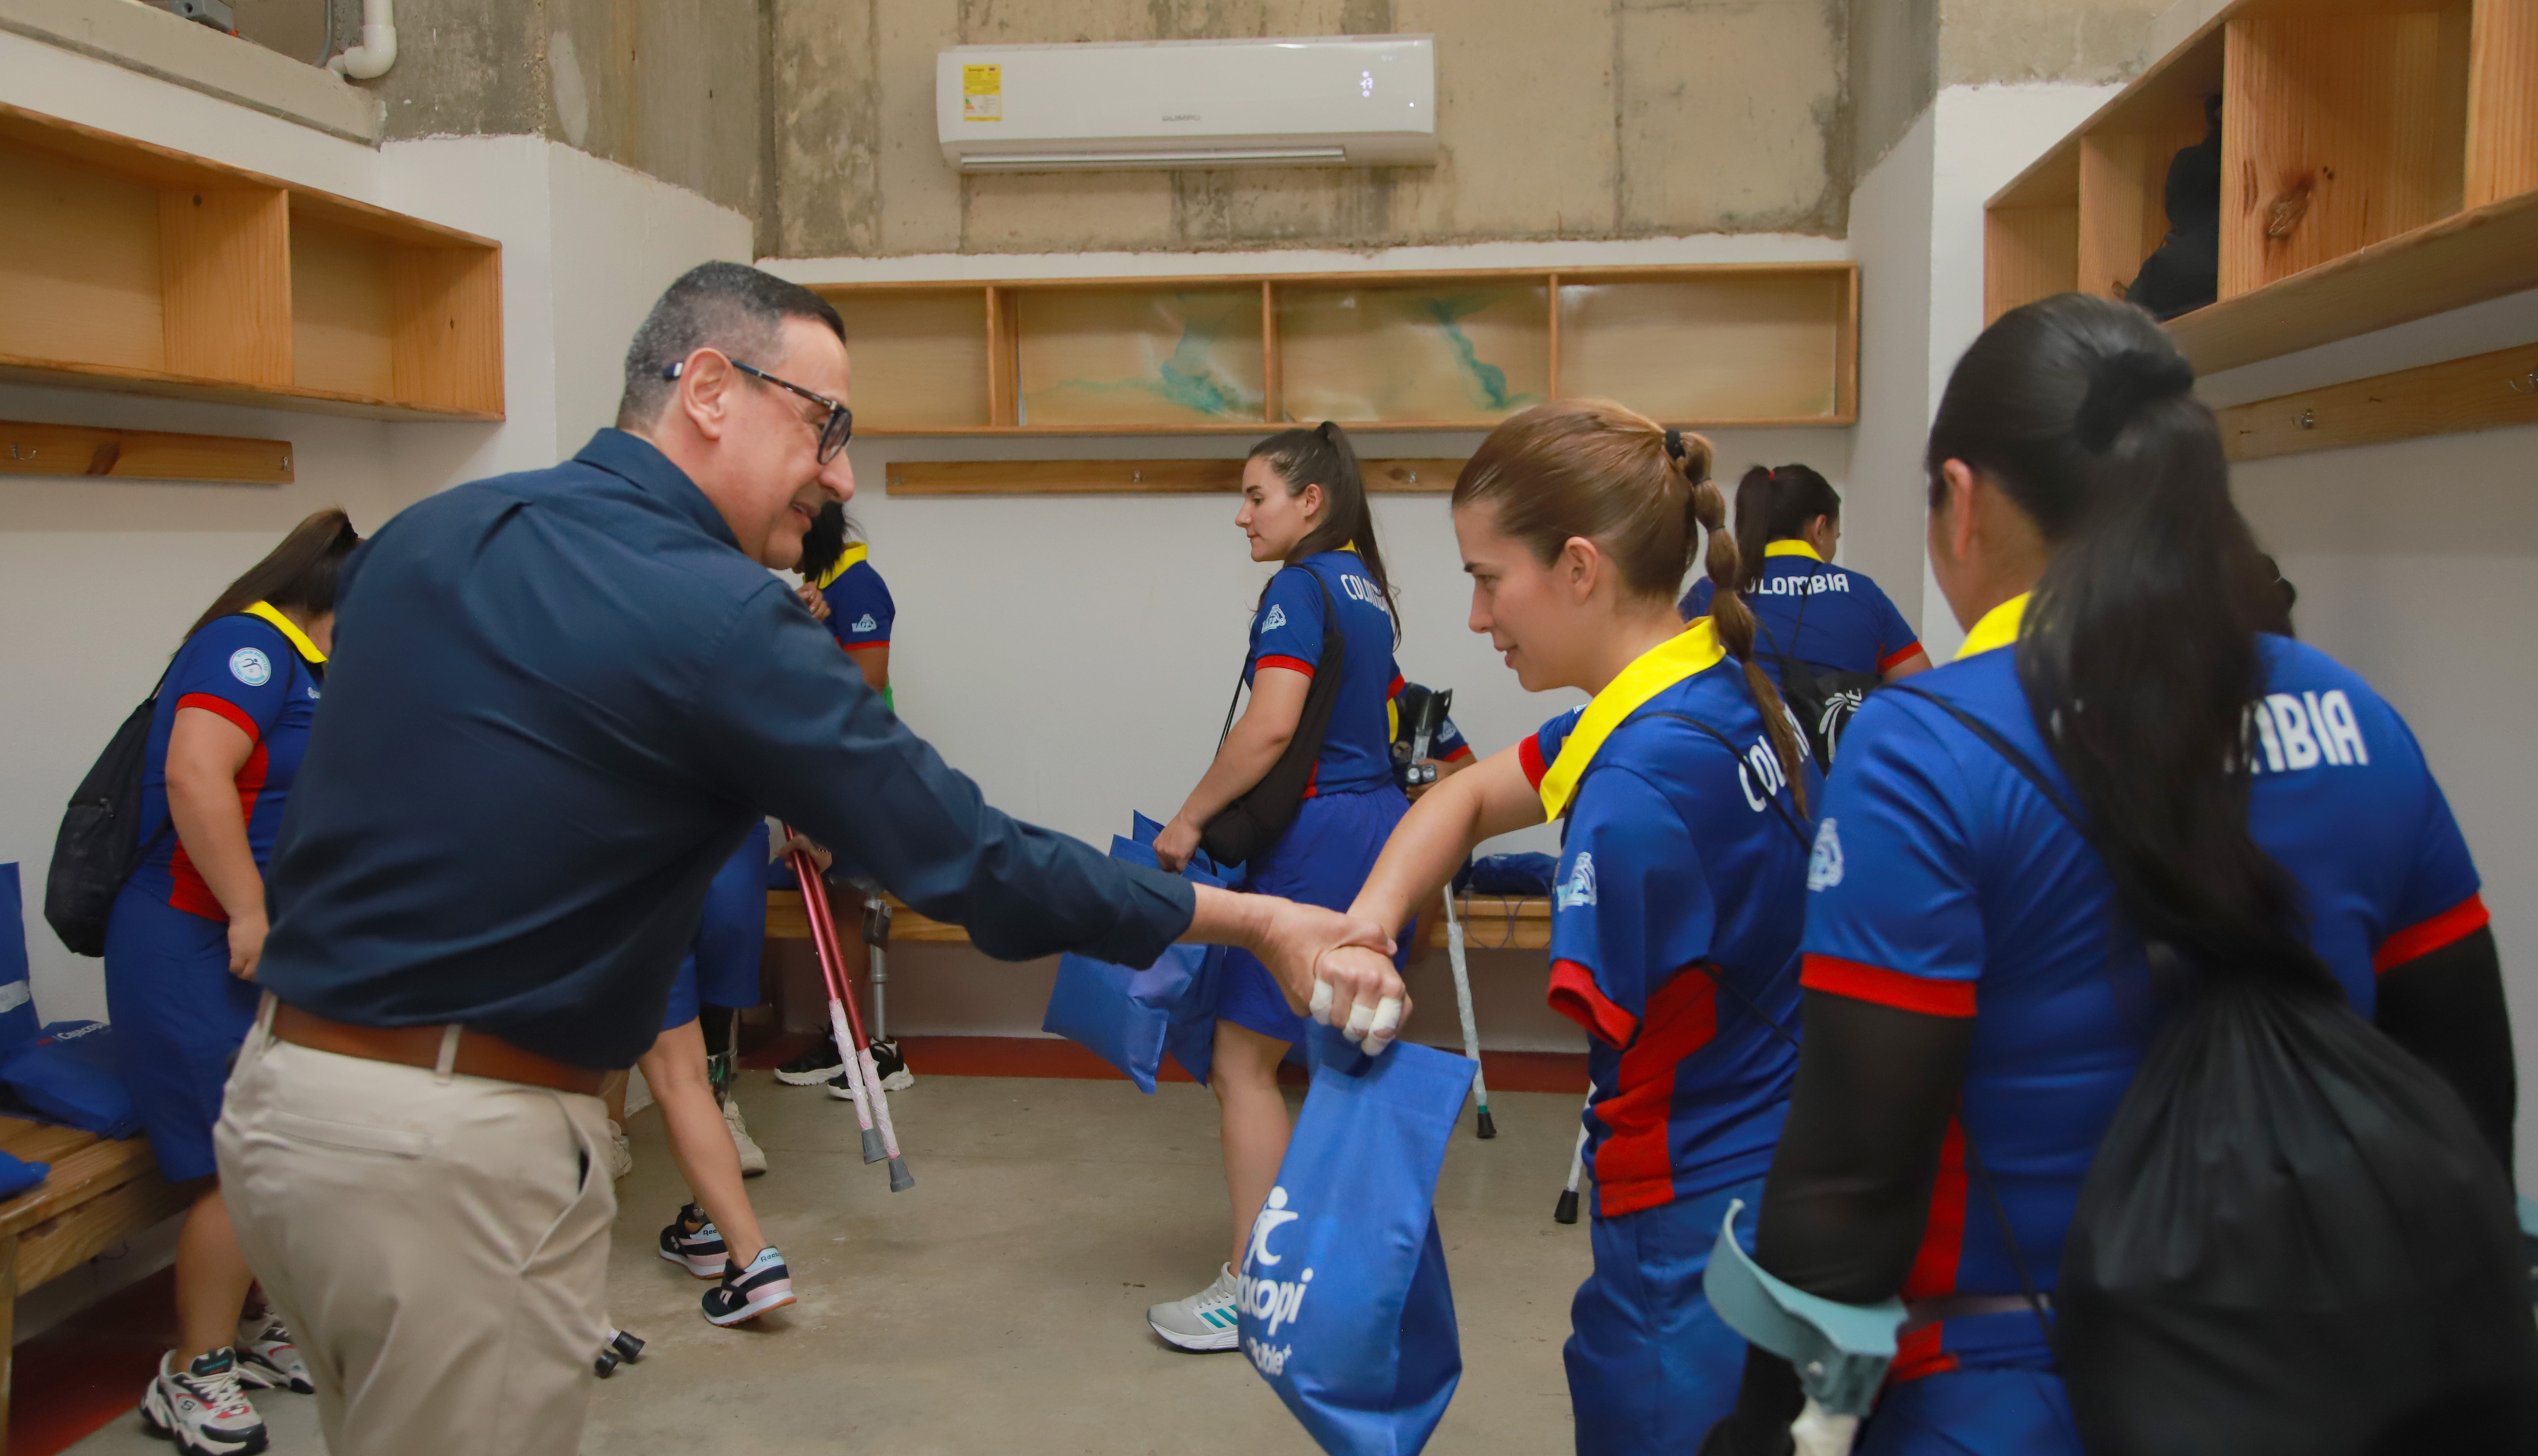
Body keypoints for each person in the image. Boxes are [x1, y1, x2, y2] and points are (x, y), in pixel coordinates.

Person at [212, 261, 1400, 1456]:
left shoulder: (427, 537)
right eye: (825, 428)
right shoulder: (719, 612)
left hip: (281, 1111)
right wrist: (1248, 922)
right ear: (712, 389)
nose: (839, 474)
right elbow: (962, 855)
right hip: (450, 1155)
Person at [1701, 293, 2521, 1455]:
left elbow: (1849, 1187)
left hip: (2009, 1393)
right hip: (2327, 1384)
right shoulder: (2353, 718)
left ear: (1964, 504)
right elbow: (2466, 1099)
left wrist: (1761, 1432)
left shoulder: (1925, 755)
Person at [1321, 401, 1820, 1450]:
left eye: (1485, 577)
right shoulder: (1708, 687)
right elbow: (1456, 800)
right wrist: (1369, 921)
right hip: (1782, 1176)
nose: (1474, 617)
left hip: (1687, 1226)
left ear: (1579, 566)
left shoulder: (1636, 787)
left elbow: (1613, 1026)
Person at [1144, 422, 1417, 1353]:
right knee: (1350, 1059)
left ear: (1311, 501)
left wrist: (1187, 820)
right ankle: (1350, 1280)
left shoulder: (1299, 587)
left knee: (1243, 1064)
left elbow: (1269, 729)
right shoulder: (1367, 587)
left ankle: (1254, 1290)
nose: (1241, 514)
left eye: (1256, 495)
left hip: (1319, 840)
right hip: (1381, 828)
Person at [108, 509, 355, 1456]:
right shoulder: (247, 645)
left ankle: (263, 1328)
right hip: (191, 941)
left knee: (294, 1139)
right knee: (239, 1159)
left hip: (274, 942)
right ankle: (192, 1368)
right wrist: (250, 910)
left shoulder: (323, 668)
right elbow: (195, 777)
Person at [775, 502, 903, 1090]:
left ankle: (857, 1046)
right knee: (828, 903)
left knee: (849, 905)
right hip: (819, 769)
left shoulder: (856, 586)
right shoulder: (818, 588)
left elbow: (866, 681)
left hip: (856, 771)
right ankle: (842, 1042)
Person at [1680, 462, 1930, 683]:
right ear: (1820, 529)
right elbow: (1924, 695)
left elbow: (1659, 683)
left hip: (1732, 737)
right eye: (1836, 537)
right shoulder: (1865, 595)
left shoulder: (1708, 593)